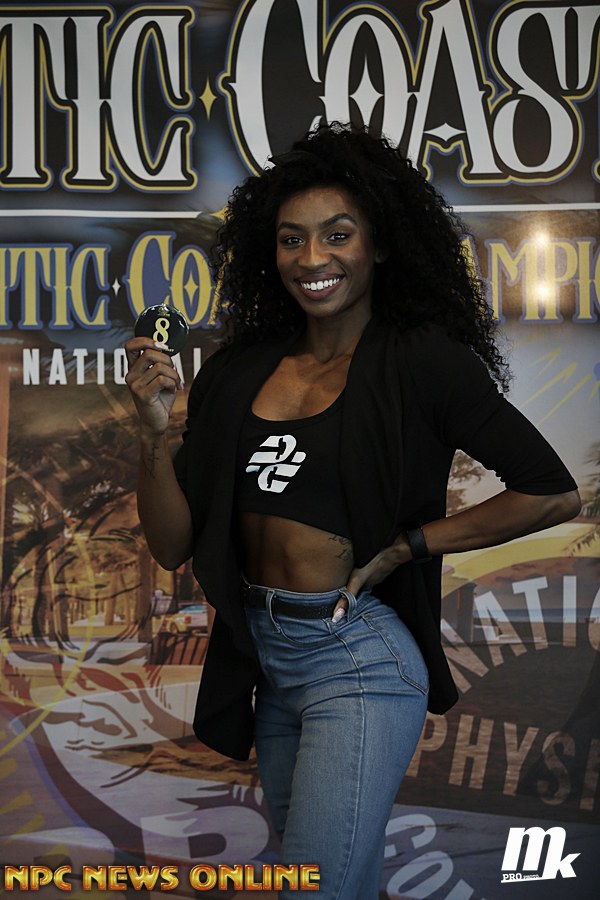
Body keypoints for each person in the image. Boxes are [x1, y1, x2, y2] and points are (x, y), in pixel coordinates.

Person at [124, 123, 580, 899]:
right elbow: (172, 546)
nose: (313, 258)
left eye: (338, 235)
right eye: (291, 239)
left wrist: (408, 546)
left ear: (381, 244)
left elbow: (552, 491)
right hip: (271, 663)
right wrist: (153, 436)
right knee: (336, 879)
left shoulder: (422, 363)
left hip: (357, 661)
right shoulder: (238, 370)